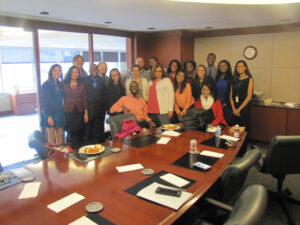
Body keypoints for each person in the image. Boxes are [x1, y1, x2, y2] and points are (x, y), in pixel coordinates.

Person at [63, 66, 88, 149]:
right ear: (70, 73)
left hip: (79, 110)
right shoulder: (64, 83)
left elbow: (84, 98)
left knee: (79, 131)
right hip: (68, 110)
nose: (74, 74)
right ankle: (71, 149)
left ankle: (79, 149)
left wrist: (86, 113)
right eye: (73, 72)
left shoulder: (82, 84)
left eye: (76, 72)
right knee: (70, 131)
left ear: (79, 74)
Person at [40, 64, 66, 145]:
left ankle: (59, 155)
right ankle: (52, 156)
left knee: (60, 136)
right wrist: (49, 116)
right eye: (55, 70)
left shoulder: (60, 84)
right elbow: (45, 101)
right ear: (51, 72)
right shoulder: (46, 85)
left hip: (60, 112)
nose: (57, 72)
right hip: (51, 113)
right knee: (51, 137)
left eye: (59, 70)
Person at [83, 64, 106, 144]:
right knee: (89, 130)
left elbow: (104, 94)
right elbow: (83, 95)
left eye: (95, 68)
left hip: (100, 110)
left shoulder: (102, 80)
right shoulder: (84, 80)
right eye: (92, 69)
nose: (94, 70)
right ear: (89, 70)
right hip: (89, 110)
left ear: (97, 70)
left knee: (99, 131)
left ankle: (100, 147)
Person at [230, 60, 254, 131]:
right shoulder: (234, 79)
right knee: (234, 129)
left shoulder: (249, 79)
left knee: (243, 129)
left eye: (241, 66)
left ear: (245, 68)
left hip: (244, 107)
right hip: (235, 106)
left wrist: (239, 110)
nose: (239, 68)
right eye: (237, 66)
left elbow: (249, 97)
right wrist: (234, 109)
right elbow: (231, 97)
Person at [215, 60, 233, 124]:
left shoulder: (231, 78)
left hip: (226, 105)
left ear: (228, 67)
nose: (222, 67)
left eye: (224, 65)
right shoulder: (217, 77)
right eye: (220, 66)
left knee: (226, 123)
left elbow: (231, 93)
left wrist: (225, 104)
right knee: (218, 124)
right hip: (217, 104)